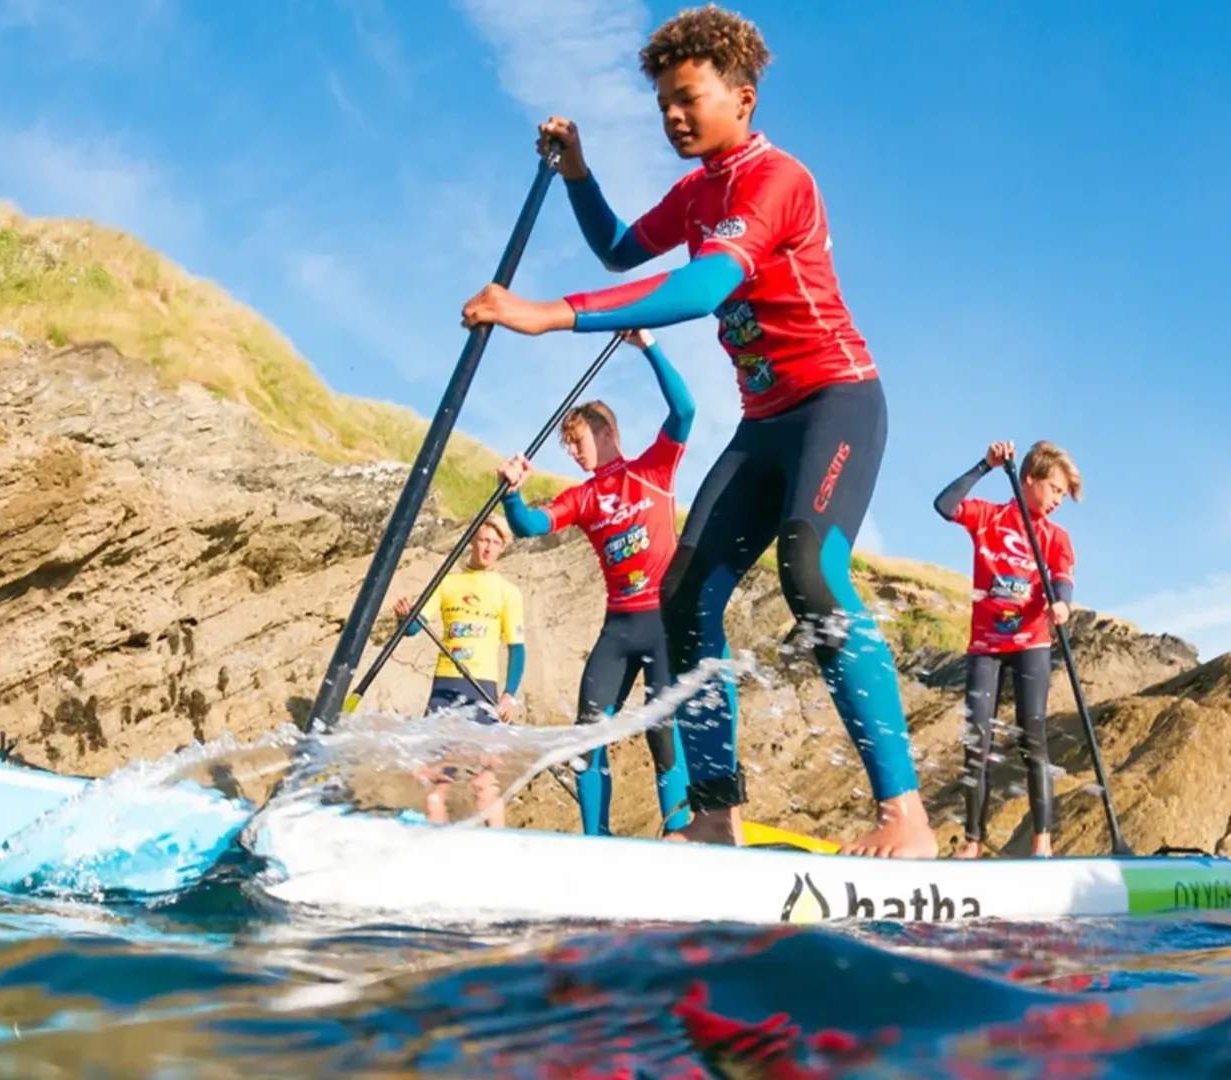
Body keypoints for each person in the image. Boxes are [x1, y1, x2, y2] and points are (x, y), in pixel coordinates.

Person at [457, 6, 932, 857]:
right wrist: (578, 173)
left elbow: (704, 287)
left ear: (743, 98)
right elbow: (617, 250)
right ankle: (716, 813)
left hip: (837, 402)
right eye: (664, 105)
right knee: (684, 596)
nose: (673, 116)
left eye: (689, 99)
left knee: (810, 571)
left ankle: (906, 814)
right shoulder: (696, 191)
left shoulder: (777, 178)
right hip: (763, 422)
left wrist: (547, 315)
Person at [496, 328, 694, 838]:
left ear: (605, 431)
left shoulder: (654, 469)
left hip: (661, 622)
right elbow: (531, 528)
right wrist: (513, 496)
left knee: (661, 731)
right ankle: (596, 840)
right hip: (618, 629)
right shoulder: (581, 498)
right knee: (586, 736)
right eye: (567, 447)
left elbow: (685, 411)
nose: (574, 453)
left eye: (577, 441)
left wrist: (648, 345)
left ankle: (681, 835)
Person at [932, 439, 1082, 859]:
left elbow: (1062, 578)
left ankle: (1042, 843)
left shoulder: (1055, 536)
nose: (1057, 501)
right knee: (975, 742)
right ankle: (973, 842)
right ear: (1029, 478)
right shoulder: (988, 518)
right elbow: (944, 505)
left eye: (1063, 496)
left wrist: (1062, 603)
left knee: (1032, 740)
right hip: (985, 646)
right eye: (1054, 489)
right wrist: (986, 465)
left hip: (1031, 642)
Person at [390, 516, 527, 827]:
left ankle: (497, 854)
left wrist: (509, 696)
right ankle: (438, 851)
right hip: (444, 690)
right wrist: (404, 616)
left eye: (495, 543)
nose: (488, 548)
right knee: (434, 785)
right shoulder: (447, 582)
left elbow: (517, 649)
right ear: (473, 541)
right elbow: (413, 629)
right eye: (483, 540)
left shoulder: (508, 593)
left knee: (484, 785)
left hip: (482, 690)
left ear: (502, 548)